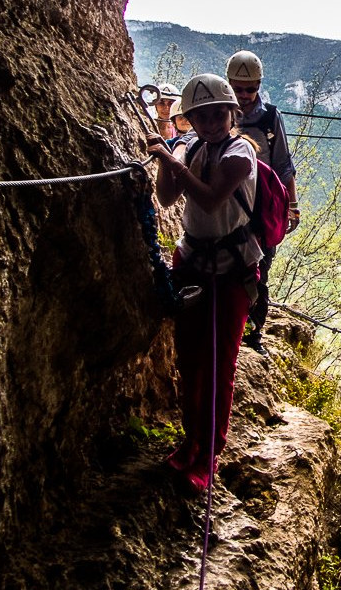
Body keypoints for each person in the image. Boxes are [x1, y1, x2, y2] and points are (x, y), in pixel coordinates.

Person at [146, 73, 263, 494]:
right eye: (202, 116)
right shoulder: (193, 147)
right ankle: (190, 442)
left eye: (219, 114)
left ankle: (207, 456)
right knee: (191, 360)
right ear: (192, 120)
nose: (211, 122)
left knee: (218, 367)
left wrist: (172, 157)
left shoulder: (239, 156)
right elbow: (166, 197)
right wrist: (167, 159)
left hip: (230, 271)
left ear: (232, 114)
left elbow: (211, 198)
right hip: (194, 262)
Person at [226, 49, 300, 355]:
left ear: (259, 85)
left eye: (250, 89)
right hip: (228, 203)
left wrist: (292, 206)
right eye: (238, 89)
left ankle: (252, 337)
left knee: (260, 271)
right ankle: (231, 327)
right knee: (228, 268)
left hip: (262, 206)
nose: (244, 95)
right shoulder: (220, 111)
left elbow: (284, 164)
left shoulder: (270, 117)